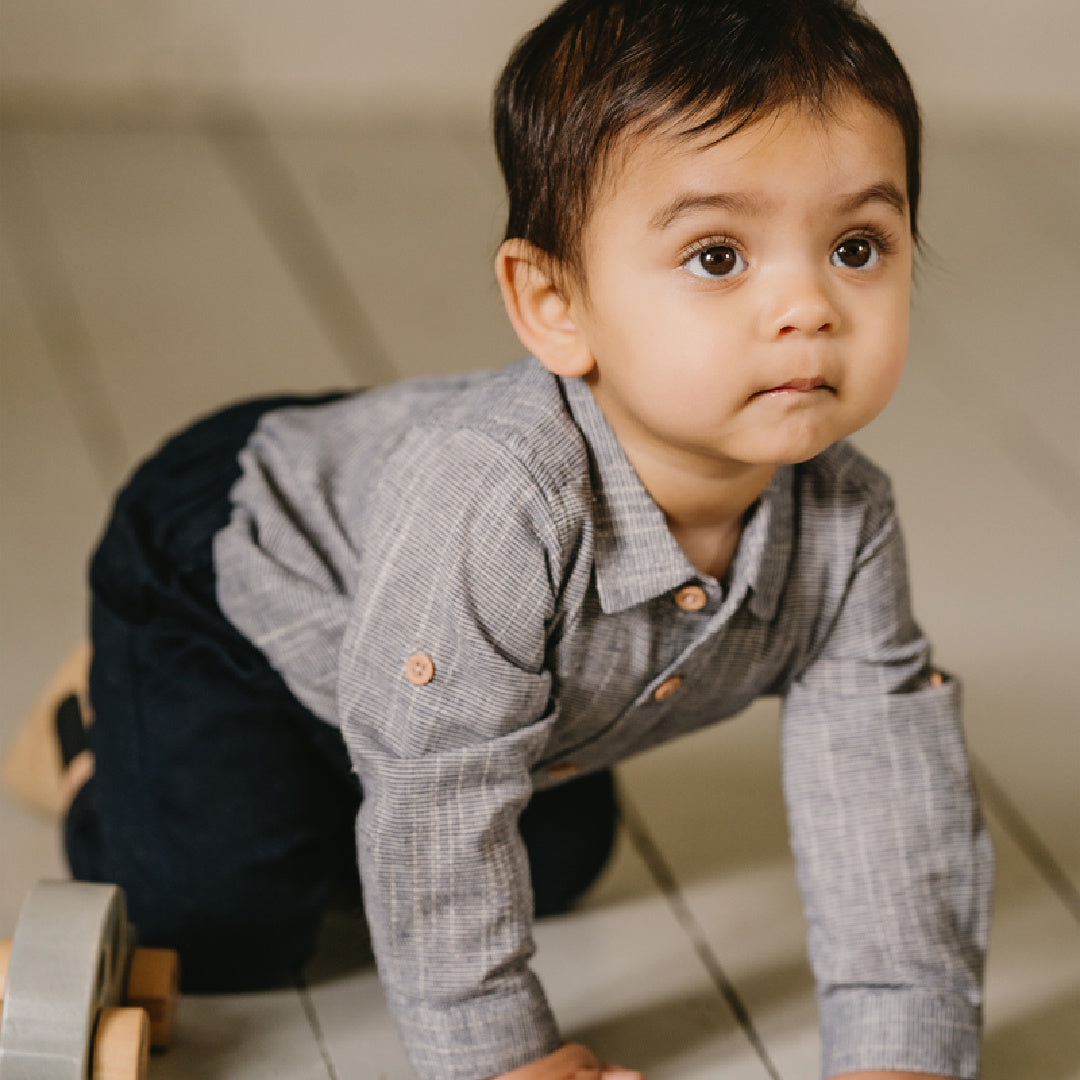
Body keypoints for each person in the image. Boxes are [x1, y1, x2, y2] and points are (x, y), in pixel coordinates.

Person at [5, 1, 993, 1078]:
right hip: (232, 554)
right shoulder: (497, 500)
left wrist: (900, 1050)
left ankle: (339, 759)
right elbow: (439, 799)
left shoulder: (846, 521)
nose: (808, 304)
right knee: (223, 917)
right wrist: (500, 1060)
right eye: (718, 256)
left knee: (558, 856)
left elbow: (887, 790)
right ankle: (94, 728)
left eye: (858, 245)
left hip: (434, 649)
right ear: (552, 301)